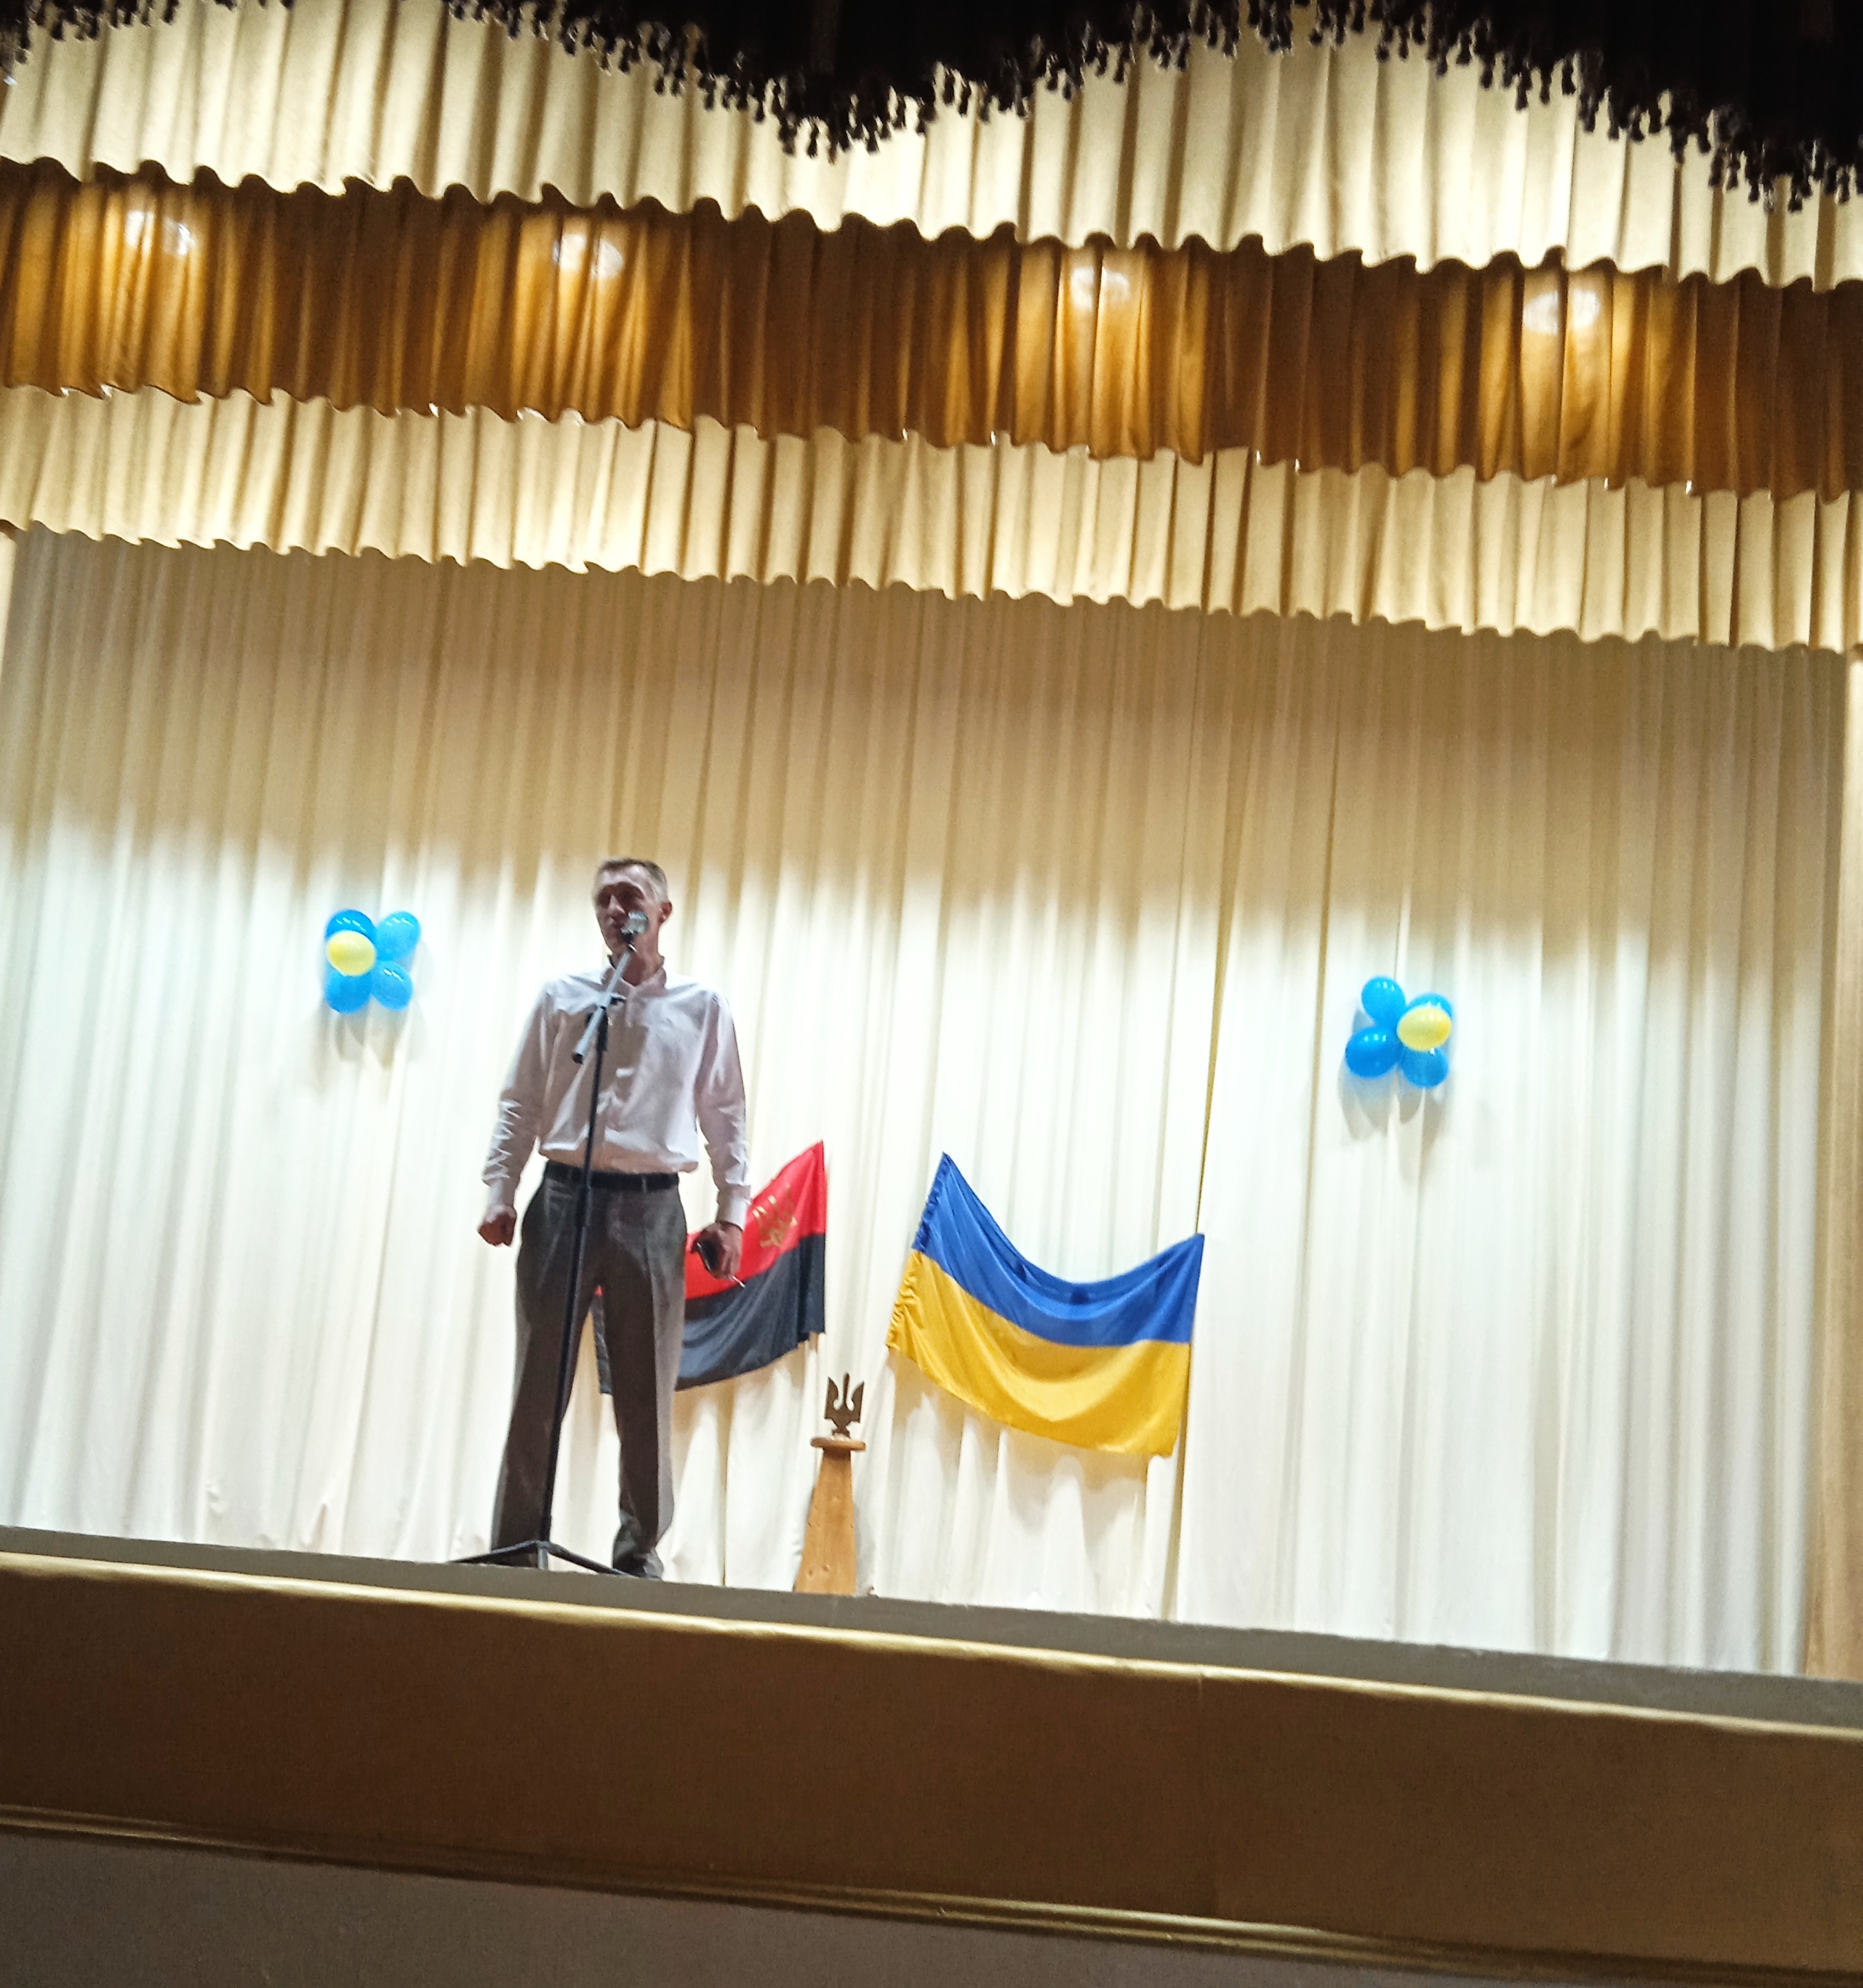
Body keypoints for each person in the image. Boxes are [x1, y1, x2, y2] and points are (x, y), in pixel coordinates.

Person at [479, 857, 749, 1575]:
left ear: (663, 912)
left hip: (651, 1206)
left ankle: (637, 1556)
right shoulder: (565, 997)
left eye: (629, 896)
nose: (613, 908)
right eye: (603, 898)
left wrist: (732, 1213)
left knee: (644, 1390)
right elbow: (520, 1100)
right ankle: (516, 1549)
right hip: (562, 1198)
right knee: (537, 1382)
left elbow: (725, 1114)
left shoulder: (701, 1005)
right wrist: (500, 1188)